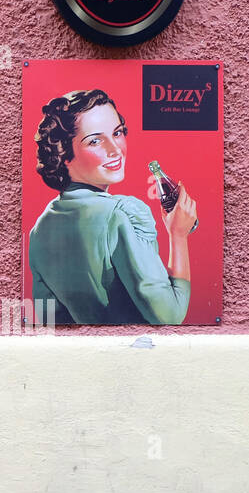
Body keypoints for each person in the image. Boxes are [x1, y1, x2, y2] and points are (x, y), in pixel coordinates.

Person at [28, 88, 198, 325]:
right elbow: (170, 315)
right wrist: (178, 236)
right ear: (63, 154)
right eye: (95, 140)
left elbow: (52, 322)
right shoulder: (120, 214)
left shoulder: (39, 231)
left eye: (117, 133)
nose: (115, 149)